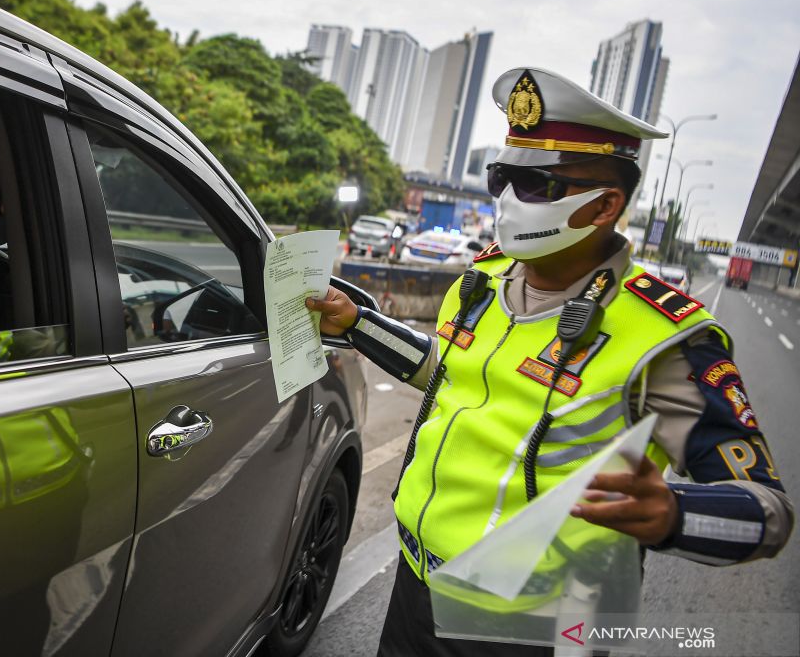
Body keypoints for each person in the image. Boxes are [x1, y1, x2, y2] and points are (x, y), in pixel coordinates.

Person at [307, 67, 793, 656]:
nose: (510, 200)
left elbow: (768, 513)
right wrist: (357, 324)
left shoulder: (667, 340)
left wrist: (673, 513)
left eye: (538, 185)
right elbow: (448, 375)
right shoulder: (479, 284)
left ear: (606, 204)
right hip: (416, 589)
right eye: (503, 177)